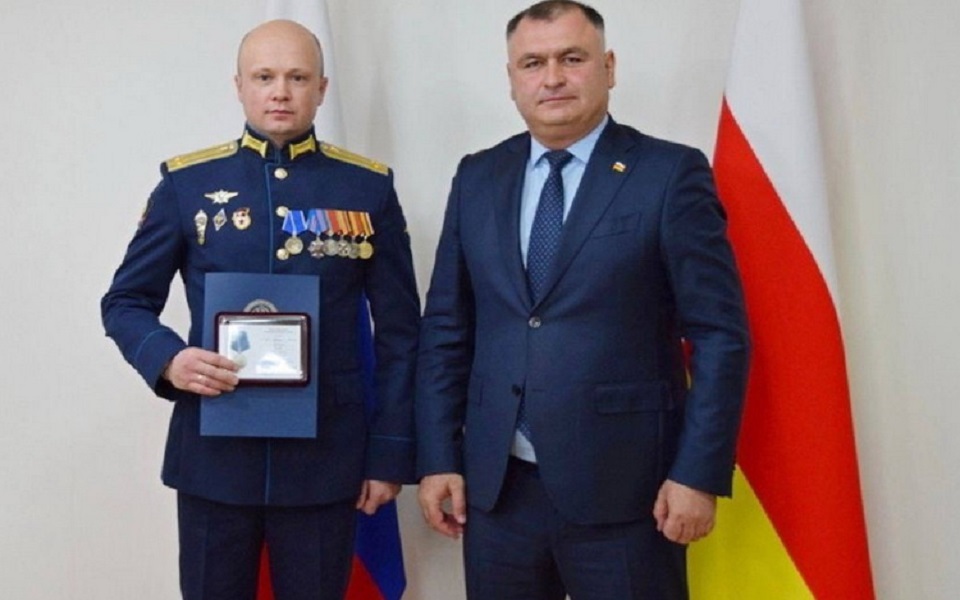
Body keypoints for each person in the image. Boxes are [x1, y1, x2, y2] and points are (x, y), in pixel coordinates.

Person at [415, 2, 750, 598]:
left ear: (608, 67)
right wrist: (439, 456)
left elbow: (719, 334)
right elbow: (446, 328)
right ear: (512, 78)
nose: (552, 78)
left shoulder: (668, 174)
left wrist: (697, 474)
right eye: (533, 63)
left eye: (572, 58)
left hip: (630, 494)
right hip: (498, 491)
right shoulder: (478, 177)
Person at [101, 20, 419, 600]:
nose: (280, 92)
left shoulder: (365, 190)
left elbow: (400, 334)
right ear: (239, 86)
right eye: (264, 77)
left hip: (326, 462)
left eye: (297, 77)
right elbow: (125, 301)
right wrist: (169, 361)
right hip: (215, 460)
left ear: (321, 89)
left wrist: (390, 453)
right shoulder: (188, 185)